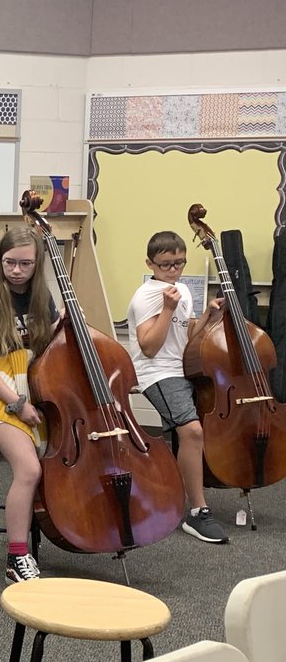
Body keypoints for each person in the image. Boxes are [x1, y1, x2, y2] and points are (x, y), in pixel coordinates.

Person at [0, 228, 58, 583]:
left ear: (37, 266)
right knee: (30, 470)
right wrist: (17, 403)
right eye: (9, 263)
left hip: (33, 385)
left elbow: (54, 346)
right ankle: (16, 557)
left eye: (25, 264)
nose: (16, 270)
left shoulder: (42, 297)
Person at [126, 230, 226, 543]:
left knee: (200, 428)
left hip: (182, 368)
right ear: (150, 264)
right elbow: (149, 347)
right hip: (155, 372)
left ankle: (174, 490)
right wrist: (167, 309)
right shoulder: (146, 295)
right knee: (191, 431)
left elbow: (188, 335)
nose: (174, 270)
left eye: (179, 263)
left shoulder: (182, 288)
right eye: (166, 264)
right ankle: (198, 513)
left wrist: (208, 315)